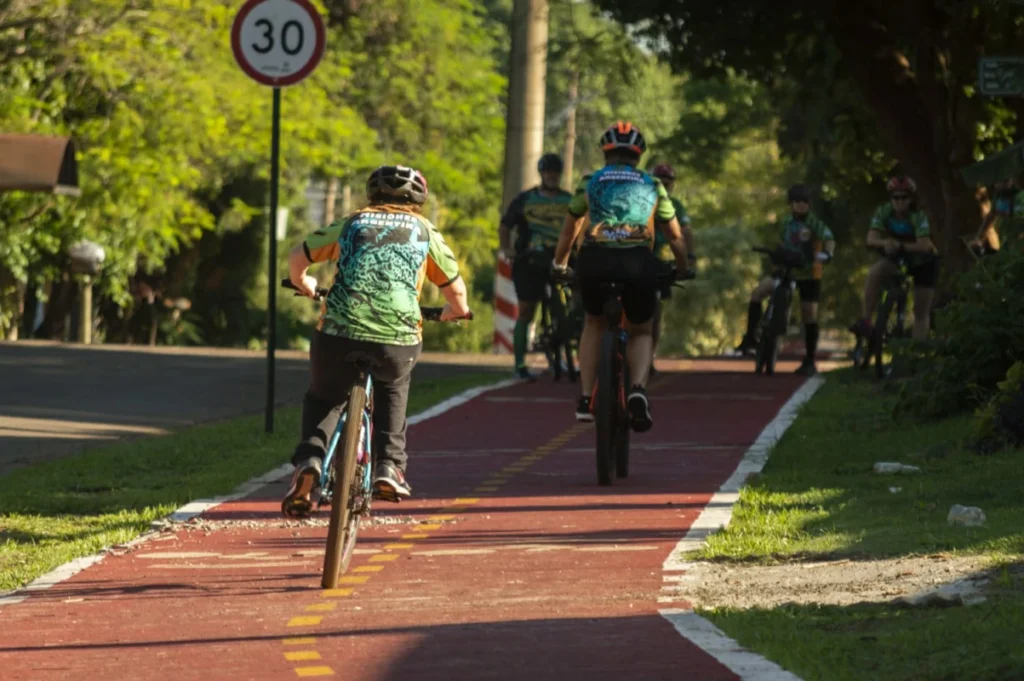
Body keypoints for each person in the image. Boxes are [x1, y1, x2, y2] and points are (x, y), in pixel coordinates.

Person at [281, 165, 471, 518]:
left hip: (339, 330)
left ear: (372, 194)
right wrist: (456, 311)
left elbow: (297, 258)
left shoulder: (352, 222)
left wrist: (303, 283)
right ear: (417, 200)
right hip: (396, 337)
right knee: (393, 387)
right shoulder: (425, 230)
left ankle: (309, 461)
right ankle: (389, 466)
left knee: (323, 397)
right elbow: (455, 290)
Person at [551, 121, 690, 432]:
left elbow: (571, 227)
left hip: (595, 259)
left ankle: (587, 398)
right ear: (638, 156)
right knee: (641, 329)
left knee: (594, 322)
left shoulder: (590, 181)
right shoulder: (653, 184)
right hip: (638, 262)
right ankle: (638, 388)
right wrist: (682, 265)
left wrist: (559, 264)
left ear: (605, 153)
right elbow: (674, 234)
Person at [737, 184, 835, 375]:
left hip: (809, 274)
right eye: (797, 201)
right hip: (787, 270)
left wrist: (828, 253)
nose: (801, 205)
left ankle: (809, 359)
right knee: (758, 293)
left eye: (805, 201)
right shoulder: (785, 223)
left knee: (809, 314)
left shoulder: (814, 223)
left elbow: (829, 238)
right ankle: (750, 338)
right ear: (790, 203)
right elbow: (782, 244)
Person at [498, 153, 574, 380]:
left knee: (576, 300)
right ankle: (520, 365)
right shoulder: (525, 199)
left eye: (555, 172)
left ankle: (571, 343)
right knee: (526, 310)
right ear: (541, 174)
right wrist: (507, 249)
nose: (551, 176)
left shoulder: (569, 200)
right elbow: (505, 226)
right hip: (531, 259)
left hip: (562, 258)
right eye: (547, 172)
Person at [849, 176, 938, 341]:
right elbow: (871, 239)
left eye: (904, 197)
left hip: (924, 261)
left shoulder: (918, 216)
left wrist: (900, 245)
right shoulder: (884, 211)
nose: (899, 201)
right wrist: (886, 243)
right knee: (875, 272)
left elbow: (925, 245)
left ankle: (916, 353)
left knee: (921, 311)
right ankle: (866, 321)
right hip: (898, 258)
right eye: (895, 197)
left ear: (911, 199)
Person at [649, 163, 696, 375]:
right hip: (640, 254)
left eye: (668, 183)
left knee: (655, 313)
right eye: (660, 182)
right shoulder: (643, 200)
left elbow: (684, 232)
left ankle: (648, 358)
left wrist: (689, 258)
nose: (665, 186)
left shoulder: (675, 205)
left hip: (662, 262)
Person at [971, 177, 1024, 255]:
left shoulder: (1019, 193)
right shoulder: (999, 199)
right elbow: (990, 217)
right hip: (1013, 236)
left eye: (1006, 181)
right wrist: (979, 237)